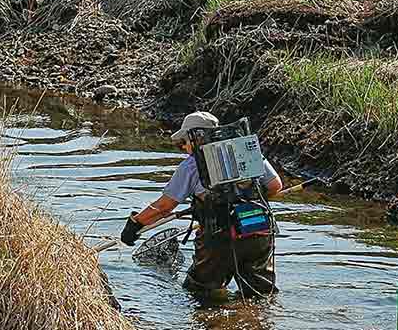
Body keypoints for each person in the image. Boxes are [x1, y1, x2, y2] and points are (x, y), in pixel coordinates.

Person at [120, 111, 283, 296]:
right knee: (260, 294)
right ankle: (257, 320)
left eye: (185, 141)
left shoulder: (191, 165)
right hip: (259, 231)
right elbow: (275, 186)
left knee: (200, 292)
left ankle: (215, 323)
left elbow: (164, 206)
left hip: (219, 237)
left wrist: (135, 223)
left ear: (194, 137)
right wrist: (242, 202)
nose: (184, 147)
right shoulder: (247, 152)